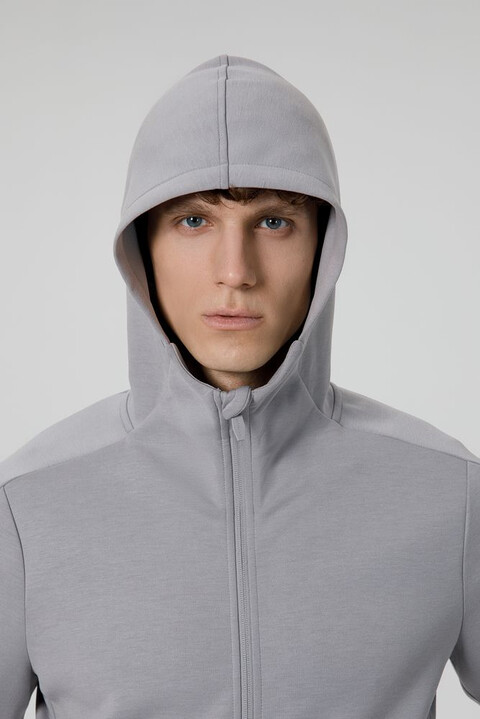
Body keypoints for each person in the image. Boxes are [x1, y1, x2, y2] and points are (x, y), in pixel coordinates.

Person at [0, 53, 478, 719]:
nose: (235, 270)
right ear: (142, 247)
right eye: (194, 221)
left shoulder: (450, 492)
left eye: (274, 221)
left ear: (323, 247)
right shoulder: (27, 506)